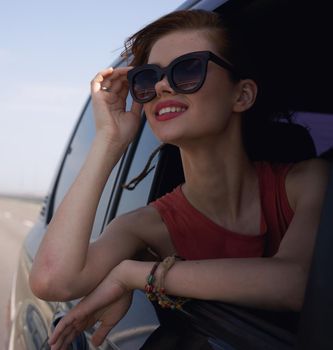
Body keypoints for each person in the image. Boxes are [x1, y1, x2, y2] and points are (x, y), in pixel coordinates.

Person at [29, 9, 330, 350]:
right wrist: (109, 141)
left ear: (241, 95)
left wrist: (138, 274)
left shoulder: (308, 183)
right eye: (146, 79)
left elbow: (295, 283)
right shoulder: (148, 225)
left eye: (188, 69)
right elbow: (52, 281)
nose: (160, 86)